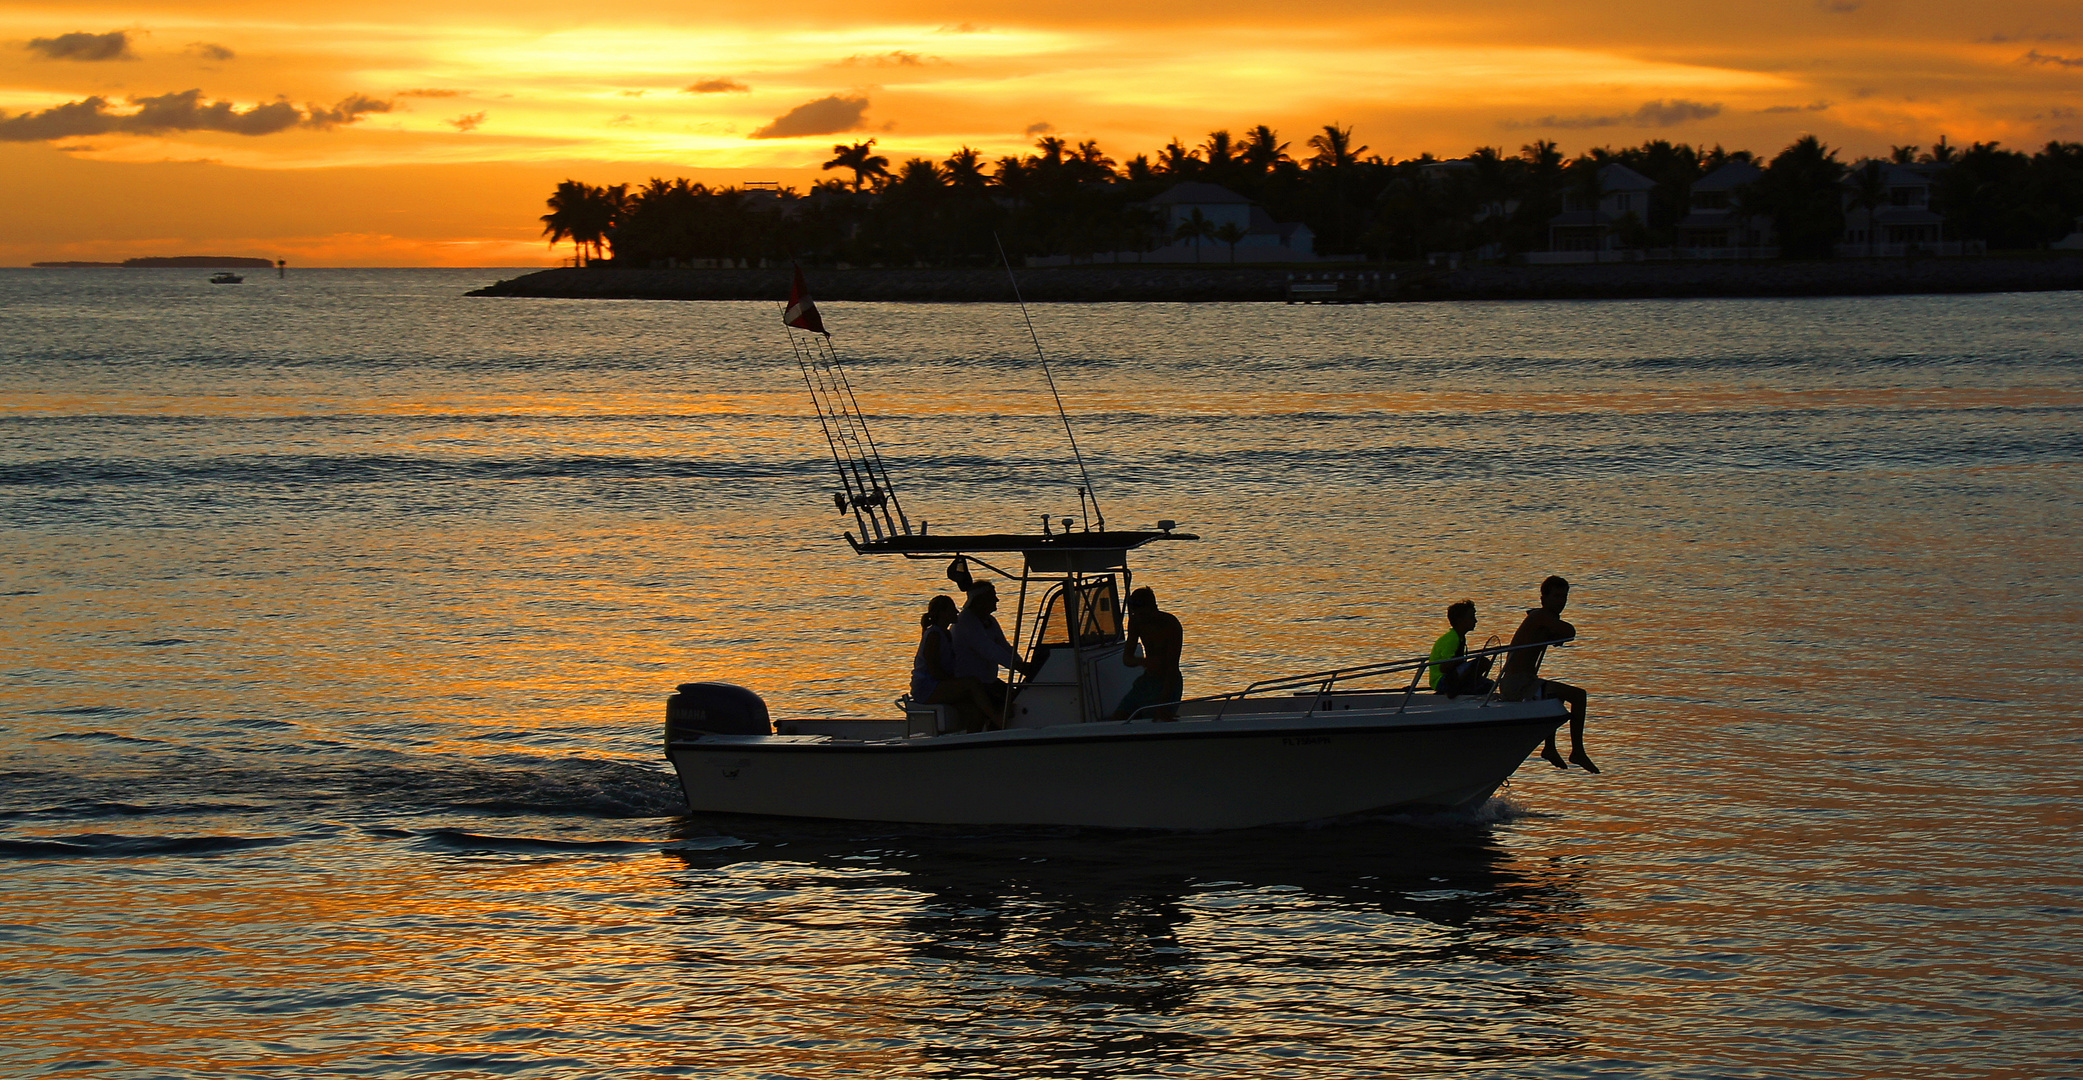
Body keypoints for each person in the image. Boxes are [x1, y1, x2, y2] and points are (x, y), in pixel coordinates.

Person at [1498, 575, 1597, 773]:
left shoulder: (1544, 619)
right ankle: (1577, 750)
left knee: (1554, 698)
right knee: (1578, 696)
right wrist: (1558, 633)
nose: (1561, 602)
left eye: (1564, 597)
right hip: (1517, 685)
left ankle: (1550, 748)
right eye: (1556, 596)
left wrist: (1553, 635)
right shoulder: (1540, 616)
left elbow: (1557, 633)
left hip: (1527, 681)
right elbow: (1570, 631)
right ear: (1543, 598)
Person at [909, 594, 1002, 732]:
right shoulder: (934, 635)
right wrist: (958, 683)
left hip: (938, 684)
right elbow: (934, 671)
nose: (957, 612)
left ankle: (972, 742)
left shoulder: (946, 634)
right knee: (972, 683)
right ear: (943, 613)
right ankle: (998, 719)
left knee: (976, 712)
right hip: (927, 688)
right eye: (952, 609)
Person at [950, 580, 1037, 721]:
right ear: (980, 600)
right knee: (1010, 706)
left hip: (989, 681)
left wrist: (1021, 664)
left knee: (1019, 698)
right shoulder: (966, 621)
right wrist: (1016, 666)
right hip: (973, 683)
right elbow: (989, 649)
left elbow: (1004, 647)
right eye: (992, 596)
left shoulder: (989, 620)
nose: (997, 599)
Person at [1109, 587, 1184, 721]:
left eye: (1143, 614)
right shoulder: (1135, 621)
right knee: (1118, 719)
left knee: (1156, 720)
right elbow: (1127, 659)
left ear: (1153, 607)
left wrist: (1163, 705)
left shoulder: (1171, 624)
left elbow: (1172, 669)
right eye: (1135, 613)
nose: (1139, 618)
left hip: (1168, 683)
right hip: (1146, 682)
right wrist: (1144, 662)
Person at [1428, 599, 1493, 696]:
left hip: (1449, 677)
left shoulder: (1460, 637)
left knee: (1489, 684)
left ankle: (1466, 688)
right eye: (1471, 617)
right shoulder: (1452, 639)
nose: (1475, 620)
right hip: (1442, 680)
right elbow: (1444, 667)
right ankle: (1460, 690)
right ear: (1460, 621)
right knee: (1482, 662)